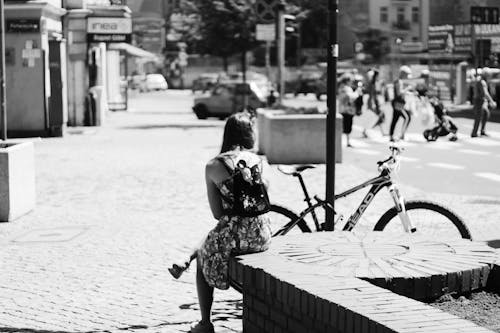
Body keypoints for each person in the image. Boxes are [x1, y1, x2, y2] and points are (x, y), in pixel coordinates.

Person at [169, 111, 272, 333]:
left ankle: (205, 323)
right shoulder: (260, 161)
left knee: (206, 251)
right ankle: (186, 259)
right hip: (262, 234)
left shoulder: (213, 165)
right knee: (216, 233)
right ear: (249, 134)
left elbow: (217, 214)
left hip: (235, 236)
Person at [389, 65, 414, 142]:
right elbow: (399, 93)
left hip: (398, 103)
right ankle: (401, 135)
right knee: (407, 117)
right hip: (398, 104)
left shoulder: (399, 81)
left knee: (395, 119)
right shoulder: (399, 81)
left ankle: (392, 135)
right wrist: (408, 88)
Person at [471, 68, 497, 137]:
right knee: (478, 116)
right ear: (486, 75)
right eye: (488, 75)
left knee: (485, 113)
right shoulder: (482, 82)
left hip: (480, 100)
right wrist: (492, 102)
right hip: (479, 100)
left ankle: (482, 131)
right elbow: (486, 93)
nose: (489, 76)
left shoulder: (479, 80)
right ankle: (474, 133)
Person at [338, 74, 363, 147]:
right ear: (347, 81)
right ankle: (346, 142)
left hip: (344, 109)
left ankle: (346, 141)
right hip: (347, 110)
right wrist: (357, 92)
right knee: (347, 127)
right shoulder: (346, 88)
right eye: (351, 80)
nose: (352, 82)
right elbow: (352, 97)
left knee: (345, 127)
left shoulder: (342, 87)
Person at [363, 68, 386, 137]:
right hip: (373, 102)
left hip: (375, 102)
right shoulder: (372, 84)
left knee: (380, 116)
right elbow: (372, 94)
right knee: (376, 117)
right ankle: (366, 130)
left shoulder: (375, 83)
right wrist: (374, 103)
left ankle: (382, 131)